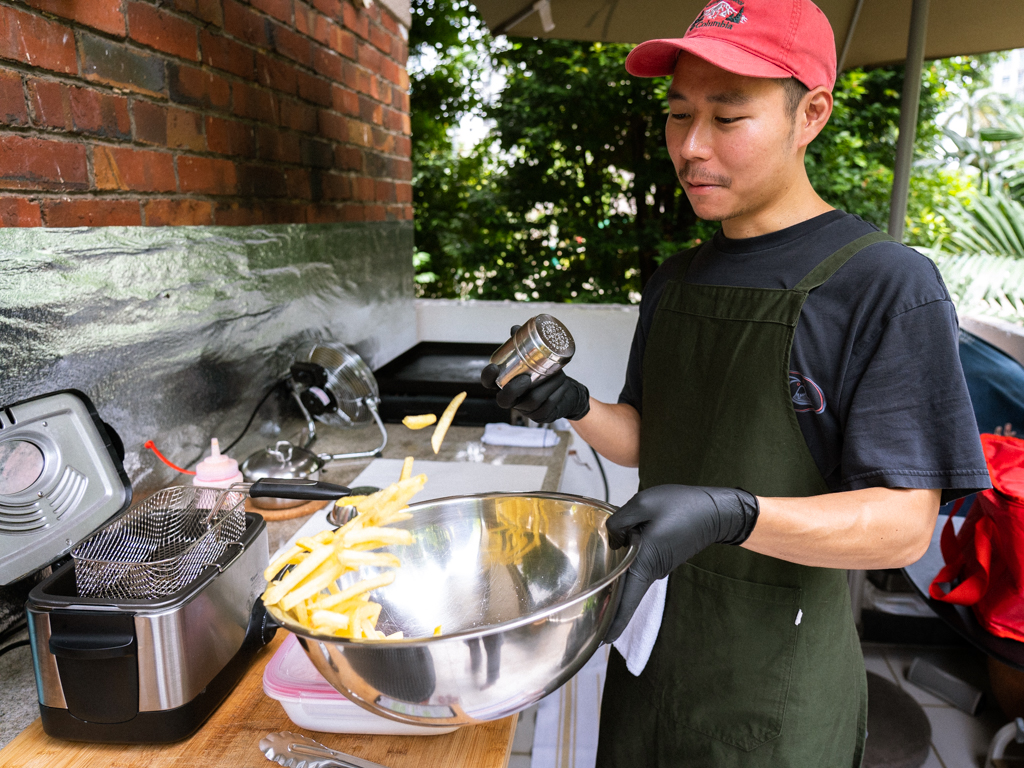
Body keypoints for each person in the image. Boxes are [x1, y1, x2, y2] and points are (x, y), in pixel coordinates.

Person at [481, 0, 992, 764]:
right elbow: (654, 439)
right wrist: (576, 405)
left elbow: (902, 524)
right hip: (653, 648)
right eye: (678, 114)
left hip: (775, 683)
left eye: (727, 118)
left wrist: (731, 513)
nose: (690, 147)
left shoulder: (884, 286)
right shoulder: (676, 281)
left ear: (809, 114)